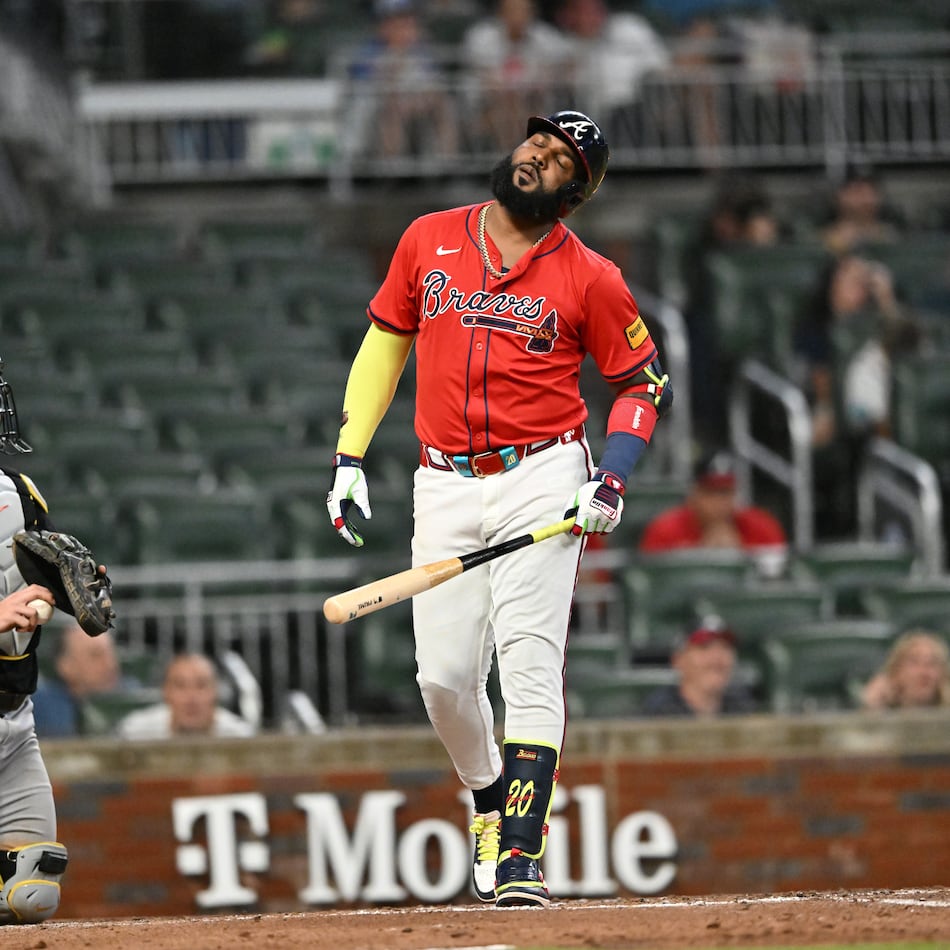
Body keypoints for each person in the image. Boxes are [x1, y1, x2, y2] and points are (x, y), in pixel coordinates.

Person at [325, 109, 672, 907]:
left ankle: (521, 851)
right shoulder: (429, 237)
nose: (536, 157)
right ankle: (486, 798)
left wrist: (610, 476)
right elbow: (386, 340)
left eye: (556, 159)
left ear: (574, 193)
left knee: (528, 663)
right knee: (443, 680)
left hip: (541, 475)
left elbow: (644, 385)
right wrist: (349, 454)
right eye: (535, 143)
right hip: (442, 478)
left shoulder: (591, 274)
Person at [0, 357, 75, 924]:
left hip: (12, 721)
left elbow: (39, 577)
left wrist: (46, 597)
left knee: (33, 890)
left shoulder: (18, 494)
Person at [792, 252, 922, 539]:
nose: (860, 289)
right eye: (851, 281)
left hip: (891, 416)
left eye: (865, 283)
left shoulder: (881, 328)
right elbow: (821, 385)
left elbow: (913, 351)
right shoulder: (816, 328)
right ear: (831, 286)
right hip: (835, 413)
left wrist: (886, 301)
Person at [343, 0, 458, 160]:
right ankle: (392, 171)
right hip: (378, 109)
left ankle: (445, 164)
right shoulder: (369, 52)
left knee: (444, 104)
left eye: (407, 22)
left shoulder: (423, 52)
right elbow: (364, 84)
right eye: (396, 23)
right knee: (393, 108)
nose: (404, 28)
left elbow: (433, 83)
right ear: (383, 26)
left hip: (416, 104)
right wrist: (396, 60)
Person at [459, 0, 574, 151]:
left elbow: (570, 61)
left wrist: (547, 76)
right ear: (500, 13)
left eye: (524, 11)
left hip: (533, 101)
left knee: (529, 112)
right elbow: (484, 75)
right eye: (512, 10)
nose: (518, 16)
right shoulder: (482, 36)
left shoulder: (545, 36)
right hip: (488, 102)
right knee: (507, 109)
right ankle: (510, 158)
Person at [638, 449, 787, 554]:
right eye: (710, 492)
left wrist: (740, 556)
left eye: (725, 493)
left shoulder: (762, 527)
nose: (718, 503)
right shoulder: (665, 530)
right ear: (694, 494)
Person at [554, 0, 669, 133]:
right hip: (594, 116)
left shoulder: (628, 26)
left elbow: (661, 65)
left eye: (593, 10)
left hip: (636, 108)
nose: (586, 18)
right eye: (578, 11)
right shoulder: (563, 45)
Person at [32, 623, 142, 739]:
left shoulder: (133, 695)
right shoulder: (41, 708)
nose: (111, 664)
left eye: (112, 654)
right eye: (96, 655)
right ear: (65, 666)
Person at [115, 652, 256, 740]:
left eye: (201, 685)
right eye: (180, 686)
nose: (191, 698)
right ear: (166, 692)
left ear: (215, 692)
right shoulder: (136, 734)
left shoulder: (239, 738)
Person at [638, 617, 758, 717]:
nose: (716, 658)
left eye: (725, 648)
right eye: (704, 648)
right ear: (678, 660)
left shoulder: (742, 709)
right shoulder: (657, 714)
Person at [819, 163, 902, 257]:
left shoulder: (891, 235)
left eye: (871, 190)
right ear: (840, 196)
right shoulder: (824, 238)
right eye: (857, 190)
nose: (865, 197)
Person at [860, 630, 950, 711]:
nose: (923, 672)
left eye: (932, 663)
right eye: (914, 662)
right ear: (896, 671)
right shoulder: (880, 711)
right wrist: (873, 707)